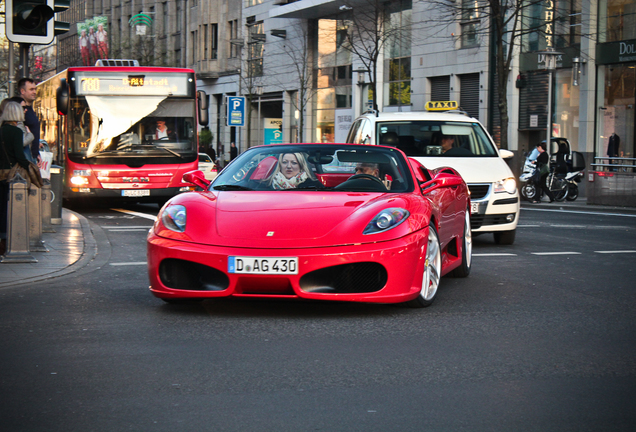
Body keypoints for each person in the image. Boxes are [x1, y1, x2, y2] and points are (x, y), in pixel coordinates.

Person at [0, 101, 32, 254]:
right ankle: (6, 241)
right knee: (11, 208)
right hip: (11, 175)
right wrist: (29, 168)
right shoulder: (16, 132)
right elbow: (19, 155)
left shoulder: (1, 130)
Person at [17, 78, 41, 165]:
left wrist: (36, 152)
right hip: (25, 157)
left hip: (31, 155)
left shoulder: (30, 109)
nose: (34, 92)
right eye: (31, 89)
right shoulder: (20, 110)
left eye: (35, 89)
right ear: (22, 91)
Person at [8, 97, 36, 163]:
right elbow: (21, 142)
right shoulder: (18, 123)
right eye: (23, 108)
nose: (26, 110)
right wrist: (30, 135)